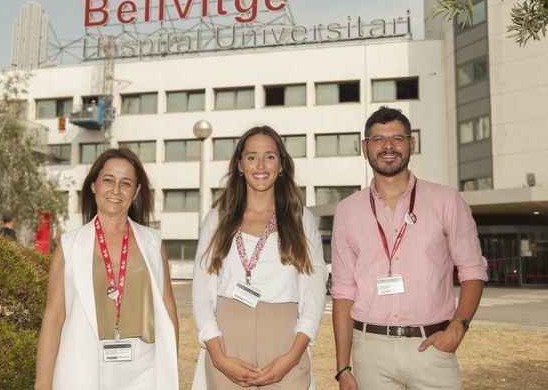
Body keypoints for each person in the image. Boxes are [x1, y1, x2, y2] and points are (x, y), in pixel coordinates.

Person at [331, 107, 488, 390]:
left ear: (411, 144)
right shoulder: (347, 211)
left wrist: (458, 328)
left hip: (431, 349)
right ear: (365, 147)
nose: (388, 146)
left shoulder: (446, 201)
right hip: (370, 352)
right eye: (378, 139)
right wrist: (343, 366)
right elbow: (343, 292)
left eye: (397, 138)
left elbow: (473, 270)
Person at [192, 125, 328, 389]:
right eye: (252, 157)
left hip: (284, 341)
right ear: (240, 165)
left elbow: (315, 291)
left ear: (282, 165)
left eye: (270, 156)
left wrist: (293, 356)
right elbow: (200, 289)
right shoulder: (217, 219)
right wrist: (218, 356)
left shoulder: (301, 219)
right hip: (227, 341)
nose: (261, 165)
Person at [35, 148, 179, 390]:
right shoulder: (69, 246)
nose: (115, 190)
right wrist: (42, 384)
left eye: (126, 183)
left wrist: (169, 370)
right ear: (94, 185)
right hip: (82, 365)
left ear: (136, 192)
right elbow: (54, 316)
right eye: (108, 180)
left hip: (144, 370)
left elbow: (168, 308)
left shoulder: (154, 243)